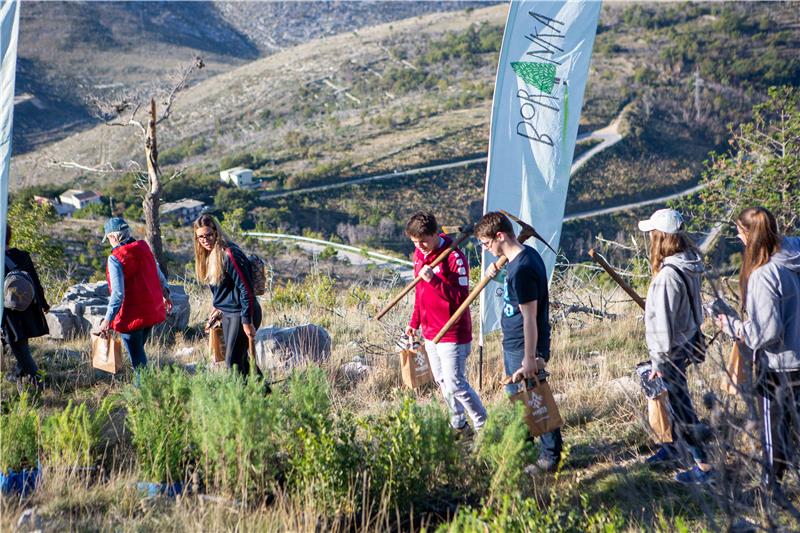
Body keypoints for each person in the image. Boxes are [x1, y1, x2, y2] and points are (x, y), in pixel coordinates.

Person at [716, 207, 800, 490]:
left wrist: (734, 327)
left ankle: (770, 489)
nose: (738, 238)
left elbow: (767, 332)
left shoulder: (764, 275)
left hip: (779, 366)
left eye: (739, 233)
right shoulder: (793, 256)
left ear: (748, 235)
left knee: (773, 431)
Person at [477, 211, 562, 471]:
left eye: (487, 243)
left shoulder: (522, 269)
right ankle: (524, 449)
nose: (486, 248)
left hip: (522, 345)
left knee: (534, 397)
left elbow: (530, 317)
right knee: (519, 400)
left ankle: (550, 457)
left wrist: (529, 357)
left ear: (500, 236)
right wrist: (498, 273)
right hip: (514, 342)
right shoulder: (523, 258)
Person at [637, 208, 713, 484]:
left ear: (660, 238)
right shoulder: (689, 262)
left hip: (670, 350)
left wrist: (658, 361)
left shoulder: (668, 275)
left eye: (652, 235)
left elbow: (661, 324)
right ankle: (674, 446)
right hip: (685, 341)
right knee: (678, 400)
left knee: (681, 404)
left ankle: (702, 464)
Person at [404, 211, 487, 435]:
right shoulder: (419, 255)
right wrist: (415, 322)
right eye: (414, 242)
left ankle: (483, 425)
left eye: (423, 241)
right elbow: (420, 293)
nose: (419, 246)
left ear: (435, 234)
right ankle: (459, 425)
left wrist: (435, 281)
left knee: (456, 383)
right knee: (442, 381)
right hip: (430, 331)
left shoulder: (454, 257)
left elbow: (462, 298)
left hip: (452, 332)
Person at [94, 217, 171, 370]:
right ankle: (146, 387)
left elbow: (118, 294)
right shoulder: (143, 248)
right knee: (138, 352)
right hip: (150, 312)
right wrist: (166, 295)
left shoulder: (115, 258)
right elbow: (159, 275)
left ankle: (146, 391)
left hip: (131, 317)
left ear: (114, 237)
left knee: (138, 360)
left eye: (108, 238)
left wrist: (107, 319)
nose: (109, 241)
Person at [193, 214, 262, 376]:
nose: (205, 240)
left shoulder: (230, 254)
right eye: (200, 237)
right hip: (228, 314)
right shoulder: (208, 255)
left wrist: (247, 321)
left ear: (217, 232)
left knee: (233, 362)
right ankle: (264, 396)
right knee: (241, 359)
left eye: (209, 234)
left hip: (243, 313)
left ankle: (241, 398)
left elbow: (246, 290)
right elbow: (222, 289)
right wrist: (216, 308)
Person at [2, 225, 49, 388]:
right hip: (28, 306)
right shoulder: (22, 256)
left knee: (19, 346)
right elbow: (35, 281)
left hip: (9, 311)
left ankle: (39, 382)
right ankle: (19, 377)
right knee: (23, 344)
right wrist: (43, 303)